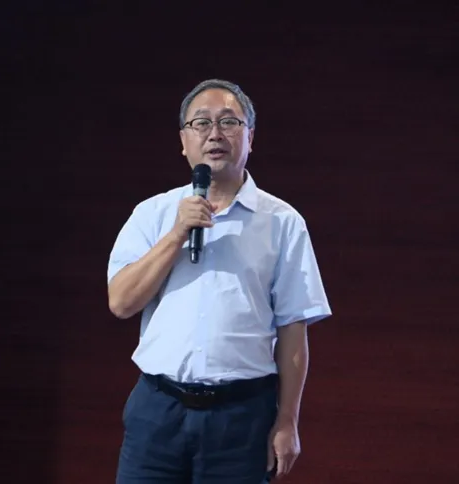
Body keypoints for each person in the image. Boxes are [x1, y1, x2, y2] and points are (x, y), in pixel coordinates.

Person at [107, 78, 332, 483]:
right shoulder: (153, 214)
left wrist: (287, 420)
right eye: (201, 123)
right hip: (158, 412)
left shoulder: (282, 222)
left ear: (250, 138)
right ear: (183, 140)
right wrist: (177, 234)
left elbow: (293, 330)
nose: (215, 134)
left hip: (242, 418)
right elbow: (121, 303)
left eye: (229, 121)